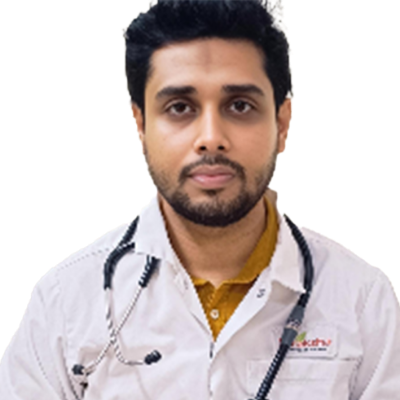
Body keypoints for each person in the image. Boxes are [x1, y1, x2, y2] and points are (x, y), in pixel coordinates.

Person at [1, 0, 399, 398]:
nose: (211, 137)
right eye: (180, 108)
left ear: (282, 123)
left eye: (240, 106)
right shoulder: (64, 303)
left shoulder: (363, 301)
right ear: (141, 125)